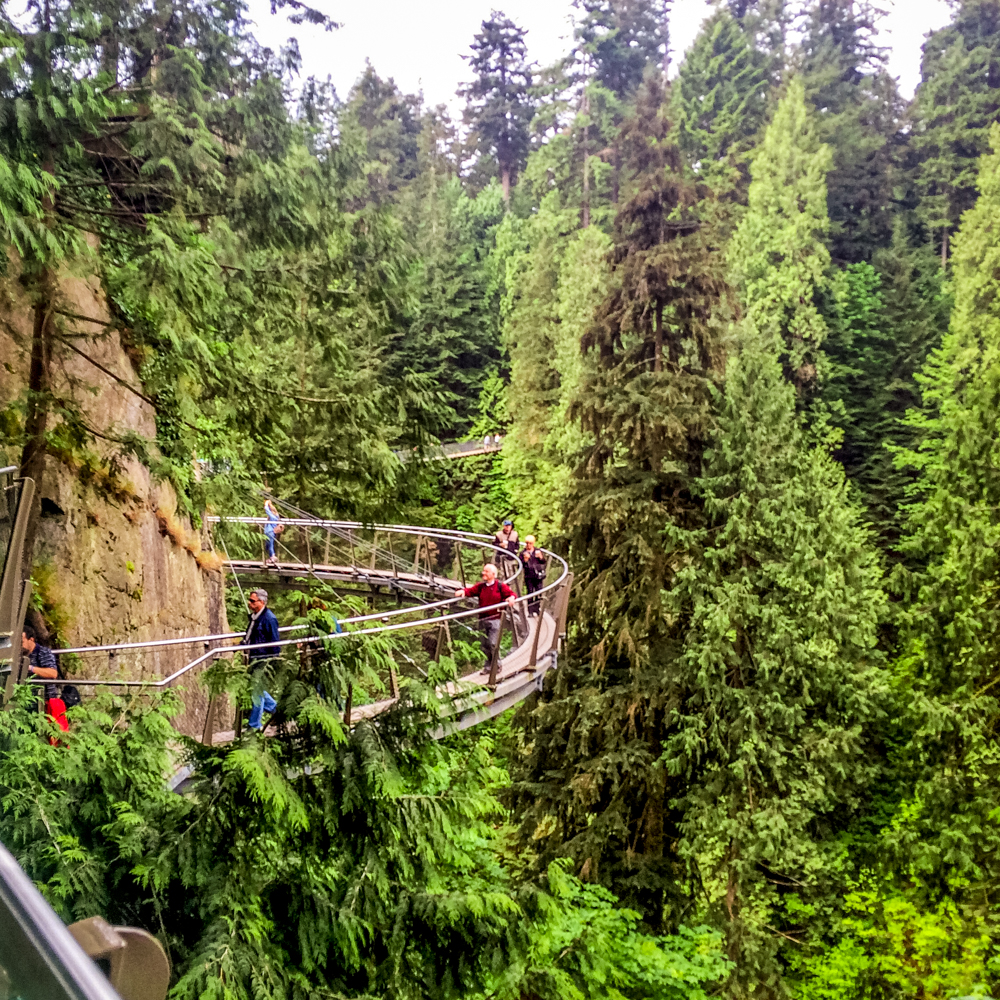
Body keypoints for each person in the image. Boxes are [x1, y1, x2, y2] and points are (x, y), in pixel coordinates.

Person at [454, 563, 516, 665]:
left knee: (492, 643)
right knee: (484, 645)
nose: (483, 573)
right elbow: (471, 591)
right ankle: (488, 666)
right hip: (483, 619)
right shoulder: (481, 586)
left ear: (493, 574)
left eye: (486, 571)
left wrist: (512, 598)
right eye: (484, 571)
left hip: (495, 619)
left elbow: (511, 594)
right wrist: (463, 592)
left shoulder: (500, 586)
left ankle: (496, 665)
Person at [21, 627, 70, 740]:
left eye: (22, 641)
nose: (19, 645)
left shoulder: (42, 652)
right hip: (26, 702)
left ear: (31, 640)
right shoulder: (20, 654)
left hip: (44, 702)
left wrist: (30, 668)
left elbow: (53, 673)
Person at [243, 588, 280, 731]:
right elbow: (251, 635)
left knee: (256, 691)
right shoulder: (255, 617)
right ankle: (278, 710)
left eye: (252, 601)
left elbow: (275, 643)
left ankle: (254, 725)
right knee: (257, 689)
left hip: (262, 660)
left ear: (262, 602)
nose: (249, 603)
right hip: (254, 658)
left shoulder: (269, 619)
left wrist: (272, 663)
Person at [519, 535, 547, 614]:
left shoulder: (538, 551)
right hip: (529, 576)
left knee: (538, 592)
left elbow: (544, 562)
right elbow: (520, 566)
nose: (528, 545)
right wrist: (525, 560)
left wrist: (541, 557)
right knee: (530, 593)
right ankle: (530, 611)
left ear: (533, 543)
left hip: (538, 576)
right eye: (527, 543)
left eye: (530, 543)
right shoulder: (523, 553)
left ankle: (537, 609)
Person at [262, 498, 281, 567]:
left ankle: (273, 556)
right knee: (267, 546)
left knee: (270, 545)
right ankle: (271, 557)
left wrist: (266, 504)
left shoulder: (273, 517)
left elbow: (267, 510)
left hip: (270, 532)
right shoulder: (275, 517)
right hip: (268, 532)